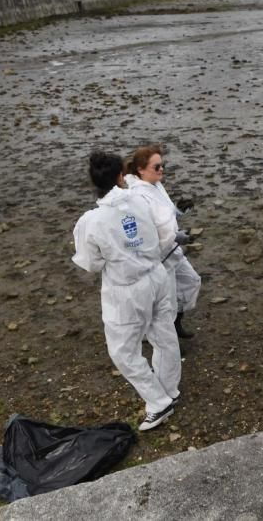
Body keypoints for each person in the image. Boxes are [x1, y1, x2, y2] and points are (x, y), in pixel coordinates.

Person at [72, 151, 181, 431]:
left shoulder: (92, 221)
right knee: (163, 334)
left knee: (123, 351)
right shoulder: (141, 199)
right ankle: (170, 389)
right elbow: (165, 229)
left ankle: (158, 401)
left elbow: (91, 264)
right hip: (156, 275)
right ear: (122, 176)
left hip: (126, 289)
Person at [124, 145, 201, 339]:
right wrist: (174, 237)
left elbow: (163, 216)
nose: (161, 169)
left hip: (172, 249)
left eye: (162, 165)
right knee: (166, 302)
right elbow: (145, 231)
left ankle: (175, 323)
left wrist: (178, 210)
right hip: (159, 257)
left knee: (191, 281)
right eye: (156, 166)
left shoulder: (155, 185)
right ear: (140, 169)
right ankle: (164, 337)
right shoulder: (137, 196)